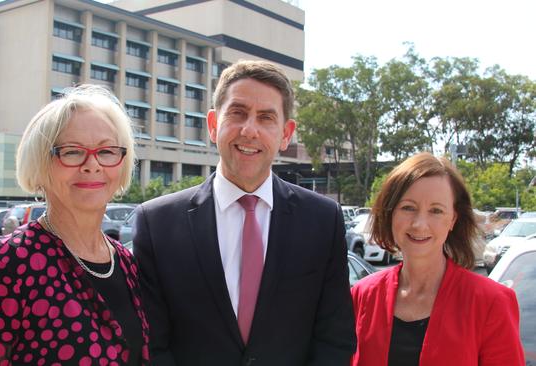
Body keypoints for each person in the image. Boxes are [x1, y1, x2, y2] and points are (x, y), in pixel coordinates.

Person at [132, 60, 356, 365]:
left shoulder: (323, 220)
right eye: (238, 113)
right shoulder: (157, 223)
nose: (250, 130)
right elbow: (152, 344)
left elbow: (335, 338)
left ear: (286, 134)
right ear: (213, 125)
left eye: (266, 118)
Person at [0, 85, 150, 365]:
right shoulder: (3, 266)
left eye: (106, 151)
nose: (93, 164)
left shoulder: (126, 263)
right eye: (71, 152)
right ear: (40, 164)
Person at [351, 152, 524, 365]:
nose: (420, 224)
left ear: (453, 219)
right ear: (390, 213)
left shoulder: (491, 303)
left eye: (436, 210)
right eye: (408, 207)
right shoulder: (362, 296)